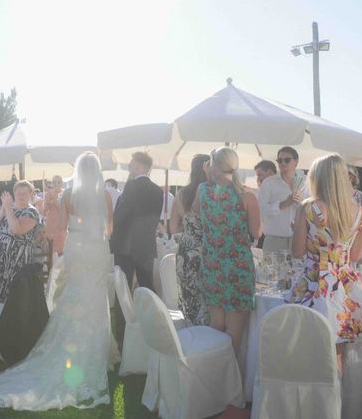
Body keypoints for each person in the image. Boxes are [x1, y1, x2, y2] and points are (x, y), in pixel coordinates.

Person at [0, 152, 119, 410]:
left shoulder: (68, 195)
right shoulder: (105, 195)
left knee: (74, 295)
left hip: (76, 247)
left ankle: (67, 348)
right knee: (96, 298)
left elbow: (58, 230)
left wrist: (58, 215)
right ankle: (95, 353)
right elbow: (110, 229)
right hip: (97, 249)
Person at [286, 154, 362, 372]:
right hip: (345, 286)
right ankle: (336, 400)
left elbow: (297, 252)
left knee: (310, 348)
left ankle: (316, 401)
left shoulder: (309, 208)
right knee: (338, 352)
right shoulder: (359, 211)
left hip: (314, 284)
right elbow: (357, 255)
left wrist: (299, 233)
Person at [194, 147, 261, 355]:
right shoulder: (247, 197)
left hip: (212, 263)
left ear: (213, 165)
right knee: (234, 331)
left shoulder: (203, 190)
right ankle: (232, 379)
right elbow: (256, 232)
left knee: (217, 323)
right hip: (238, 266)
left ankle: (217, 374)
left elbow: (196, 212)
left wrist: (208, 177)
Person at [110, 151, 163, 290]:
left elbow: (121, 214)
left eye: (131, 165)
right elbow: (155, 218)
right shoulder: (158, 191)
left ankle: (124, 312)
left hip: (126, 245)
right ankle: (148, 312)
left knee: (123, 288)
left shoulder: (131, 186)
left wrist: (111, 227)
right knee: (146, 286)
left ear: (139, 167)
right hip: (146, 246)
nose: (129, 168)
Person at [170, 154, 210, 326]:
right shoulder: (211, 191)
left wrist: (189, 226)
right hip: (207, 251)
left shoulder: (181, 194)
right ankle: (208, 339)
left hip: (186, 251)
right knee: (207, 302)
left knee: (190, 299)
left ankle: (191, 335)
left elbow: (174, 229)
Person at [0, 180, 40, 302]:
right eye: (18, 193)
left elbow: (17, 229)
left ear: (31, 194)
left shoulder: (31, 211)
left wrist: (8, 209)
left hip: (18, 261)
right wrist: (3, 210)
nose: (21, 196)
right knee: (0, 291)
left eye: (25, 193)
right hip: (1, 260)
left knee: (16, 293)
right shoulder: (8, 209)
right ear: (14, 194)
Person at [257, 146, 309, 253]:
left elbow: (313, 210)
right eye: (280, 160)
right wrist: (283, 204)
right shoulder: (269, 183)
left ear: (296, 161)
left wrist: (302, 204)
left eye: (287, 160)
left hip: (300, 240)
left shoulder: (307, 183)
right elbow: (261, 211)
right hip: (274, 241)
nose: (283, 163)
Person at [43, 175, 67, 257]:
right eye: (54, 182)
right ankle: (51, 268)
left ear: (62, 183)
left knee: (61, 249)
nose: (56, 184)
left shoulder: (64, 193)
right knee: (50, 249)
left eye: (58, 182)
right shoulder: (47, 194)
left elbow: (63, 210)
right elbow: (44, 211)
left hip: (61, 223)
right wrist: (47, 203)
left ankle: (61, 268)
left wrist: (54, 198)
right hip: (51, 222)